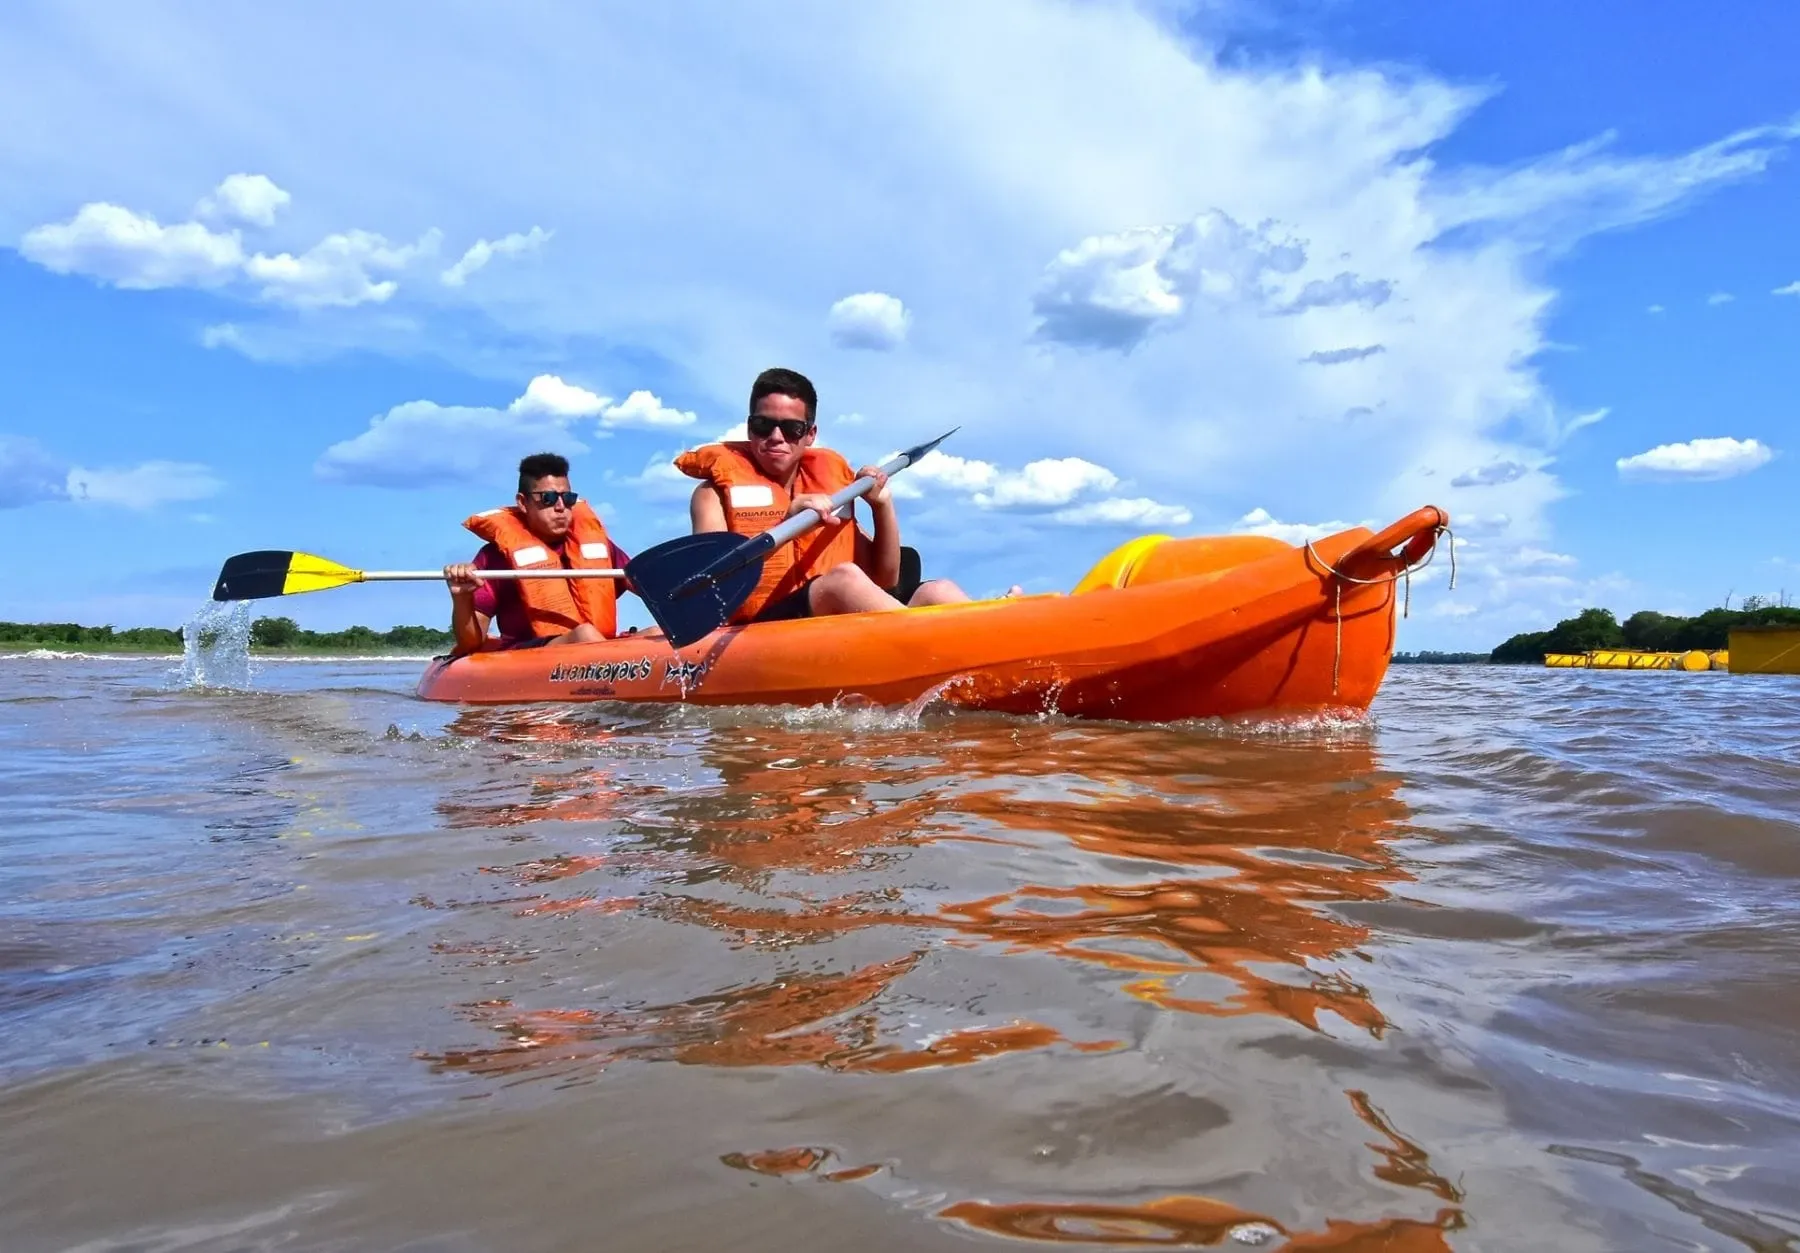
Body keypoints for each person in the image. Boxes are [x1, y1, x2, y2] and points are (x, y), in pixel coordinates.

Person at [676, 368, 979, 625]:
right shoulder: (710, 496)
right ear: (750, 428)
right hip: (758, 628)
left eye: (792, 428)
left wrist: (881, 506)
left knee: (938, 592)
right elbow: (713, 587)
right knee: (844, 579)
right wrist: (786, 521)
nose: (776, 437)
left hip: (827, 622)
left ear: (810, 434)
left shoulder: (832, 485)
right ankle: (937, 643)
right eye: (763, 425)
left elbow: (885, 579)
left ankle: (995, 641)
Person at [443, 452, 630, 654]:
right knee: (585, 634)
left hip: (599, 650)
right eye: (548, 499)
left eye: (568, 498)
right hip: (530, 656)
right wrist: (462, 599)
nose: (560, 507)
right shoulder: (494, 557)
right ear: (523, 503)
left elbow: (650, 585)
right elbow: (470, 644)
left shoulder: (601, 547)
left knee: (657, 632)